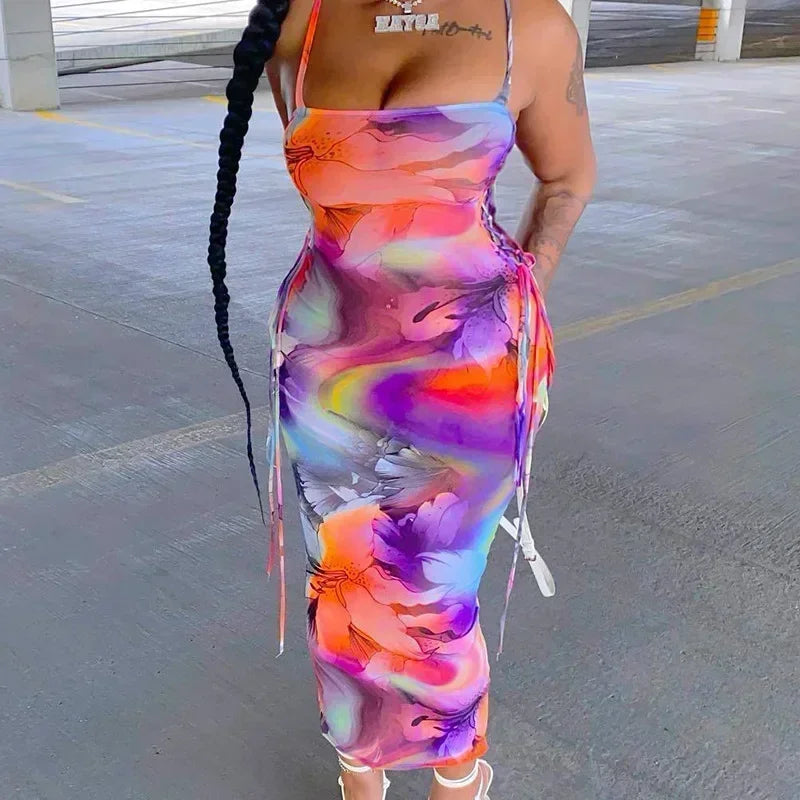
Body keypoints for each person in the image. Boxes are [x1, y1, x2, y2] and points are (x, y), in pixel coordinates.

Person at [207, 0, 595, 797]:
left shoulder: (530, 25)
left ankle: (458, 772)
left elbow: (567, 177)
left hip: (466, 374)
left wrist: (517, 298)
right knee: (343, 579)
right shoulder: (298, 21)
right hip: (328, 365)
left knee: (434, 586)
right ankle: (359, 766)